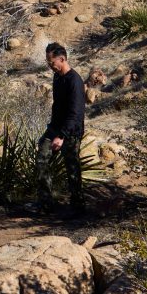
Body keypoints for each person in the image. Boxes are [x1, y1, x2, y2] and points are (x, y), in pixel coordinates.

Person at [35, 42, 86, 216]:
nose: (50, 66)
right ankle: (46, 204)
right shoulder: (57, 77)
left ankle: (78, 206)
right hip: (55, 128)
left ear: (62, 59)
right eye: (48, 63)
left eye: (52, 62)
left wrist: (62, 136)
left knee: (72, 167)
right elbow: (57, 106)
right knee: (42, 158)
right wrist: (52, 130)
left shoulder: (75, 81)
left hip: (71, 132)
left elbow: (75, 113)